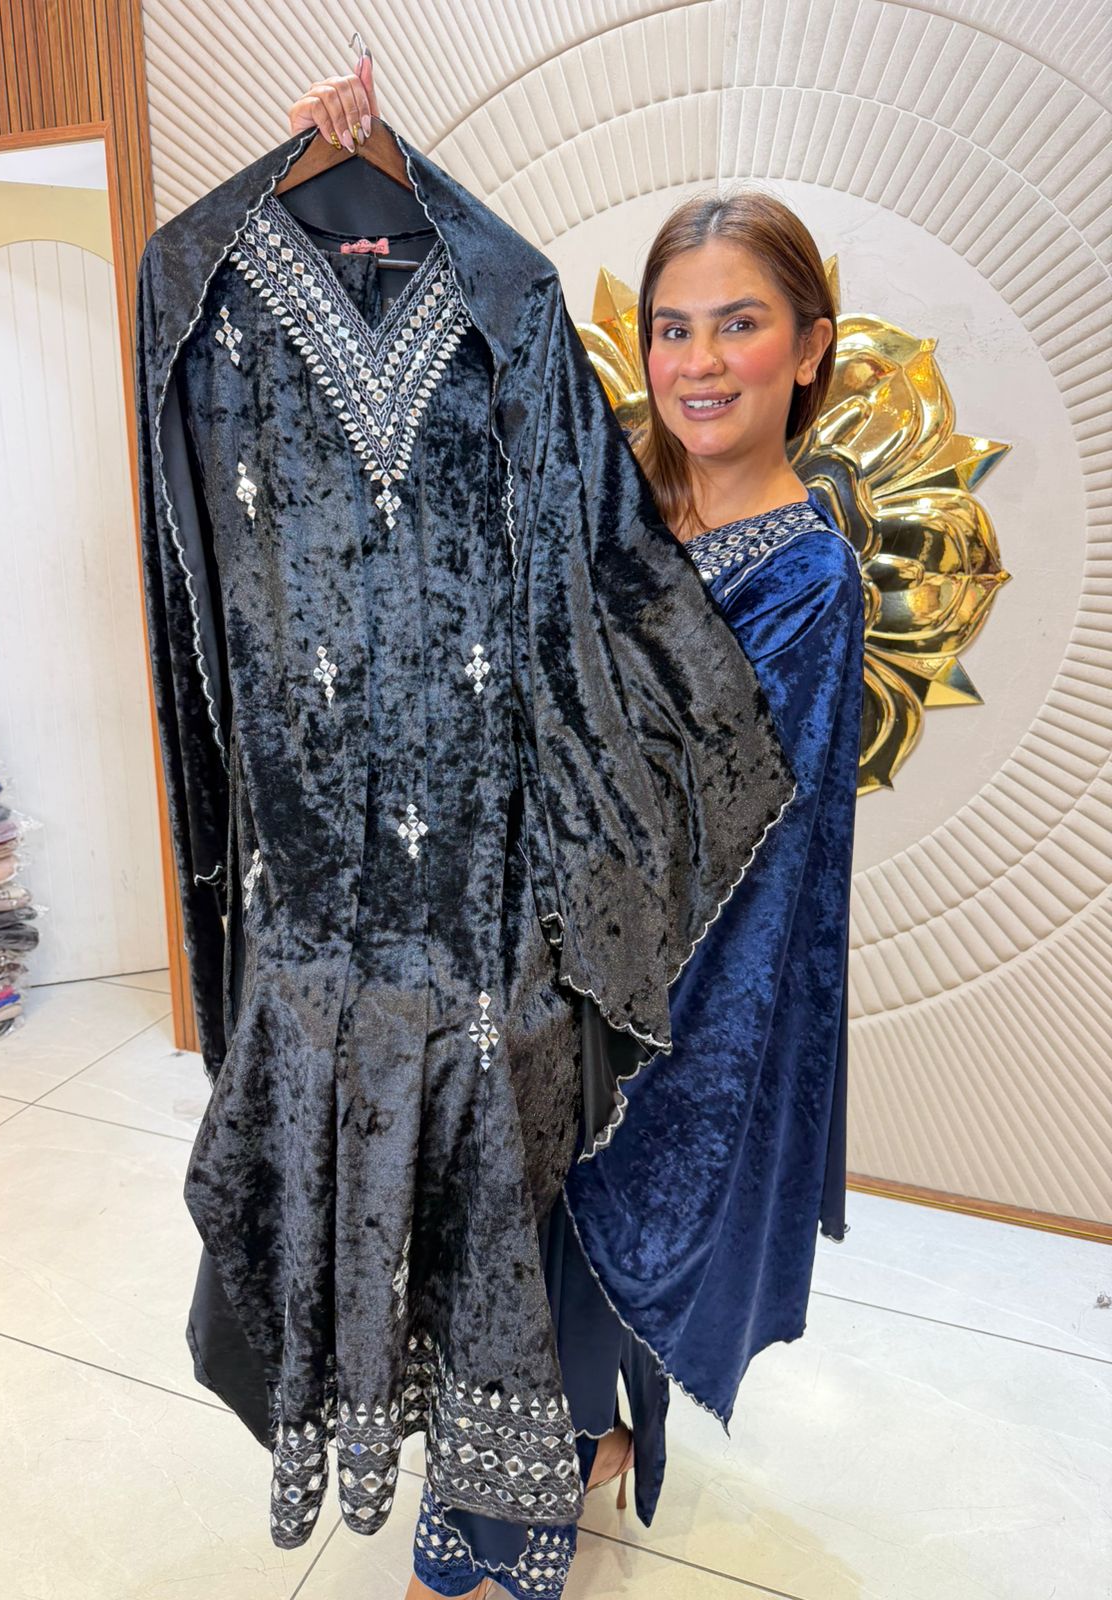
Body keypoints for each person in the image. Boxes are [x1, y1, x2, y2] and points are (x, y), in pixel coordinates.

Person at [281, 60, 863, 1600]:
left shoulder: (805, 579)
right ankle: (580, 1454)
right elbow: (466, 391)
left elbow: (719, 840)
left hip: (625, 1026)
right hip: (514, 978)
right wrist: (381, 183)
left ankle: (489, 1549)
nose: (699, 360)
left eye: (740, 323)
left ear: (811, 346)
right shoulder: (626, 501)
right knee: (498, 1303)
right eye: (672, 327)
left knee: (530, 1331)